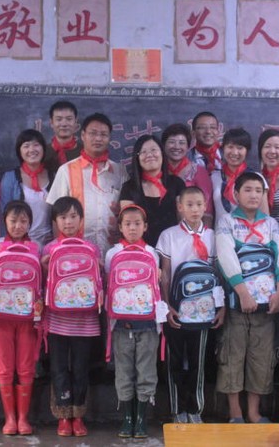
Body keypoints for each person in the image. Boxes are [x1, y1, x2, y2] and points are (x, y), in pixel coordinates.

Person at [215, 172, 279, 424]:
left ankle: (253, 412)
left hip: (267, 304)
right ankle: (235, 412)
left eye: (258, 190)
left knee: (262, 356)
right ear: (236, 194)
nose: (254, 195)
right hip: (238, 303)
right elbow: (226, 256)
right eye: (248, 189)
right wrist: (243, 293)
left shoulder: (271, 224)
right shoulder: (226, 222)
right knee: (233, 355)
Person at [157, 186, 222, 425]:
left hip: (204, 310)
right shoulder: (169, 235)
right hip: (176, 307)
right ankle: (177, 408)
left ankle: (195, 409)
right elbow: (165, 273)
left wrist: (221, 307)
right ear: (180, 207)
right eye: (189, 205)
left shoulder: (212, 236)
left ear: (206, 207)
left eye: (199, 204)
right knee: (174, 359)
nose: (195, 209)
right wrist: (167, 305)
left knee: (198, 361)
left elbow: (217, 274)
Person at [41, 196, 102, 437]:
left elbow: (100, 280)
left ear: (81, 220)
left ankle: (78, 415)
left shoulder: (92, 248)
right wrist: (44, 267)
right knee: (58, 368)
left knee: (80, 368)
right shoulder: (48, 249)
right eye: (63, 217)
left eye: (73, 216)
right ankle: (63, 415)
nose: (68, 222)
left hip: (85, 321)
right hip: (57, 320)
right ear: (55, 221)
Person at [0, 201, 40, 435]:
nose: (18, 226)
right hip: (0, 316)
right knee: (5, 367)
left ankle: (23, 418)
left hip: (28, 317)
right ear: (4, 221)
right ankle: (10, 418)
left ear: (30, 223)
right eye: (13, 221)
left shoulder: (36, 247)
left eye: (23, 221)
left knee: (26, 366)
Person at [105, 204, 161, 439]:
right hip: (121, 325)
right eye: (127, 224)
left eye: (137, 223)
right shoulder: (112, 253)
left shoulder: (152, 252)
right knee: (124, 372)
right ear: (120, 227)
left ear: (145, 226)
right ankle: (127, 417)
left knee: (146, 371)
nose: (132, 228)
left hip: (148, 325)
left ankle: (141, 418)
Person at [47, 113, 128, 256]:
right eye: (93, 133)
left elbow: (128, 211)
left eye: (103, 134)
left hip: (112, 252)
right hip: (77, 253)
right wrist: (61, 251)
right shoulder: (66, 170)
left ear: (109, 138)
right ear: (83, 135)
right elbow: (56, 215)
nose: (98, 138)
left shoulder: (119, 171)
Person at [120, 134, 185, 246]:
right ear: (137, 158)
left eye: (153, 150)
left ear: (162, 153)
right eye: (143, 152)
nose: (149, 155)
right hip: (141, 249)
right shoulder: (129, 187)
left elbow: (183, 220)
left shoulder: (177, 183)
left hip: (173, 247)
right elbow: (128, 225)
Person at [0, 129, 54, 247]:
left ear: (43, 149)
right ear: (19, 151)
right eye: (26, 146)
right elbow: (4, 213)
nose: (32, 150)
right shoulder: (10, 178)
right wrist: (7, 244)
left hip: (49, 243)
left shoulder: (53, 176)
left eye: (36, 145)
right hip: (21, 243)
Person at [161, 123, 214, 227]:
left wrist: (203, 234)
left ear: (188, 146)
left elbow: (207, 210)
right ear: (163, 145)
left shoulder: (198, 171)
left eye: (182, 143)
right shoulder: (157, 171)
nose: (177, 147)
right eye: (171, 142)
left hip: (191, 230)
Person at [211, 128, 256, 225]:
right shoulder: (213, 177)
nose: (234, 152)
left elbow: (264, 216)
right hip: (220, 232)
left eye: (240, 148)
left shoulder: (255, 178)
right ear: (223, 148)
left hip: (248, 233)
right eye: (230, 147)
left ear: (247, 151)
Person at [43, 100, 83, 173]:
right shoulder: (42, 152)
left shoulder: (85, 152)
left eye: (69, 119)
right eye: (59, 119)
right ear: (51, 123)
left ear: (75, 121)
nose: (64, 124)